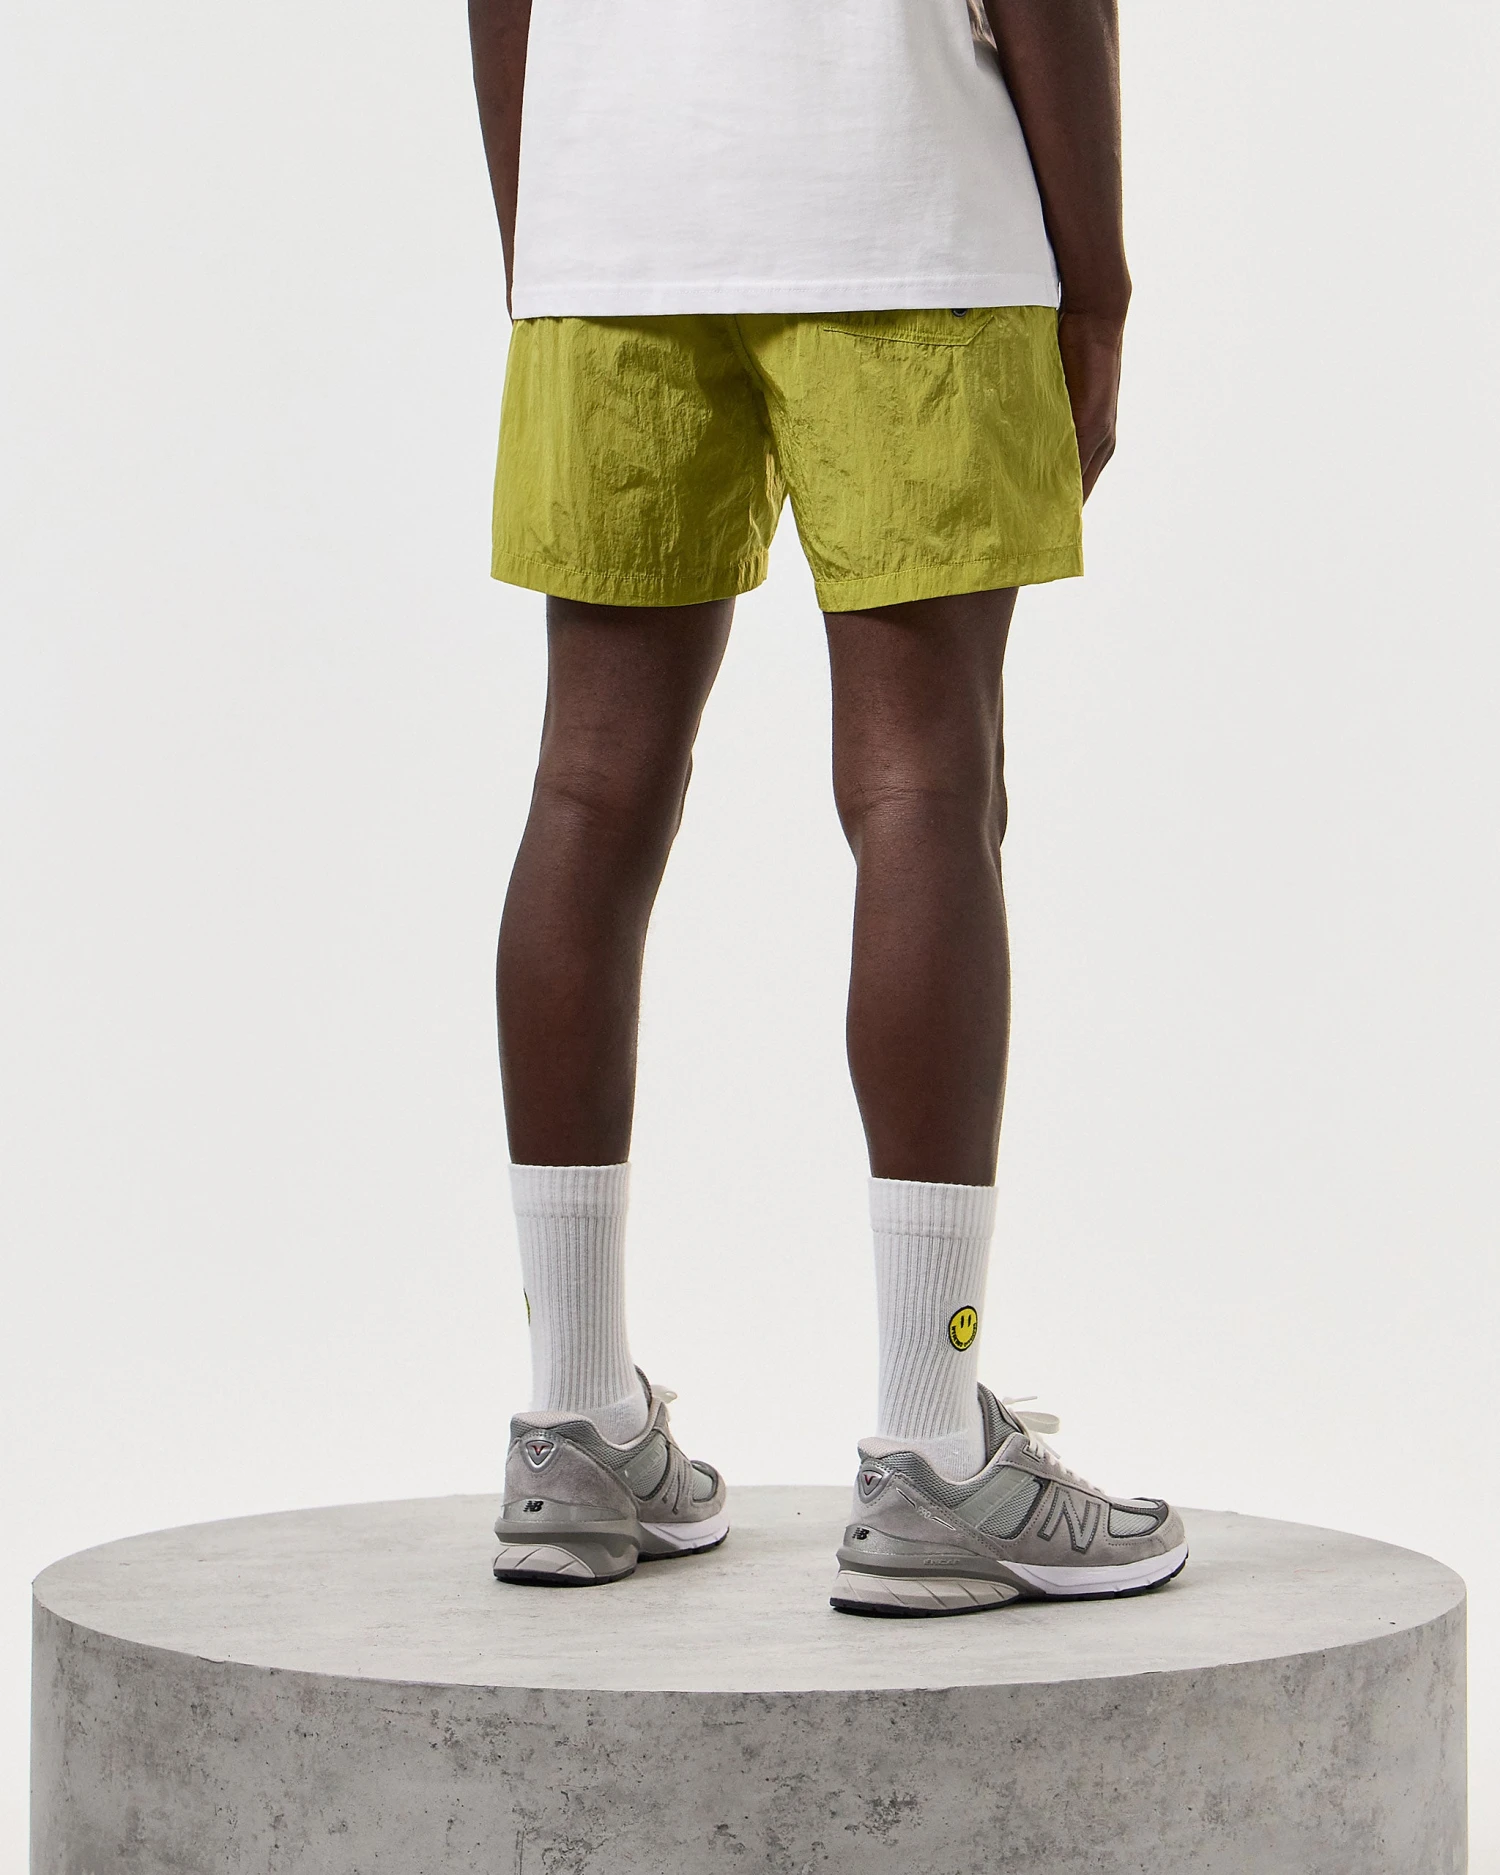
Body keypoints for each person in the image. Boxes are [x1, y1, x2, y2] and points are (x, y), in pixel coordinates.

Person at [470, 0, 1187, 1614]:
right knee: (926, 782)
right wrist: (1100, 284)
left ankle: (571, 1424)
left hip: (612, 211)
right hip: (901, 195)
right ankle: (931, 1446)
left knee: (587, 786)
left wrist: (557, 232)